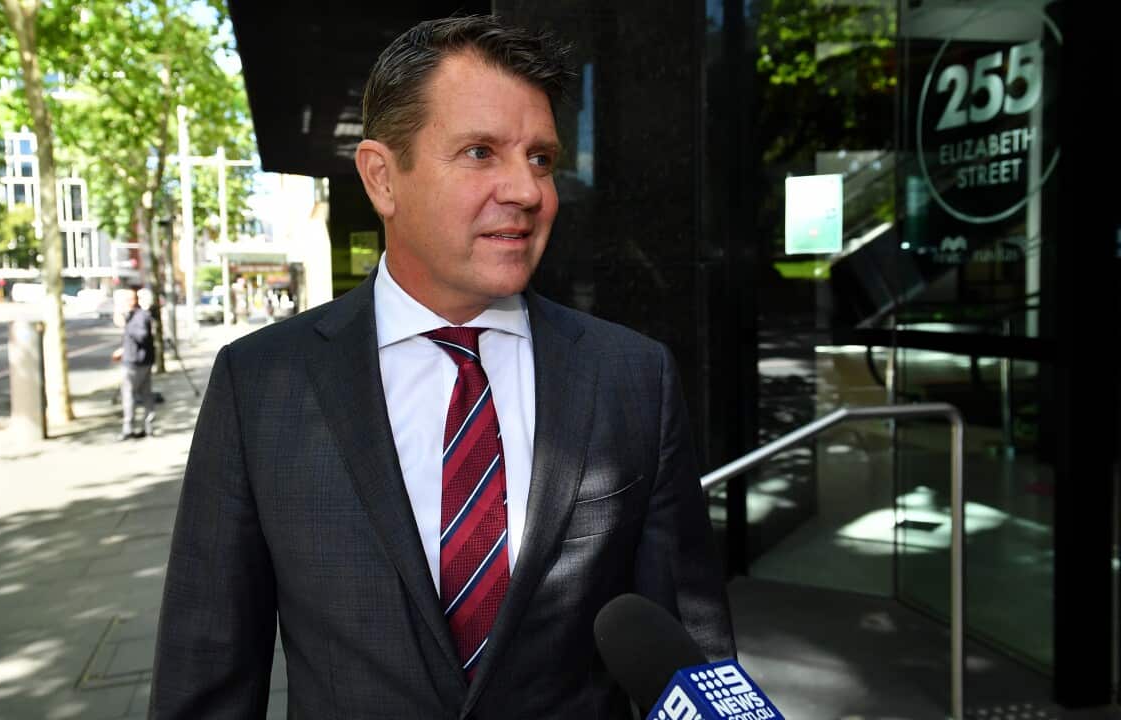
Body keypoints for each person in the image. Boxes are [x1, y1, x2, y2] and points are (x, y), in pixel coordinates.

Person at [151, 15, 734, 718]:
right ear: (382, 178)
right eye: (481, 152)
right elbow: (207, 674)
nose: (528, 190)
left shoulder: (632, 377)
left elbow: (693, 656)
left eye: (541, 158)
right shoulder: (261, 386)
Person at [113, 287, 155, 440]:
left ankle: (130, 428)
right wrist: (123, 350)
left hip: (136, 363)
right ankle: (146, 427)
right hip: (137, 359)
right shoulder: (135, 316)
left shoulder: (139, 316)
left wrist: (127, 326)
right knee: (144, 394)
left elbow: (142, 336)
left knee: (130, 395)